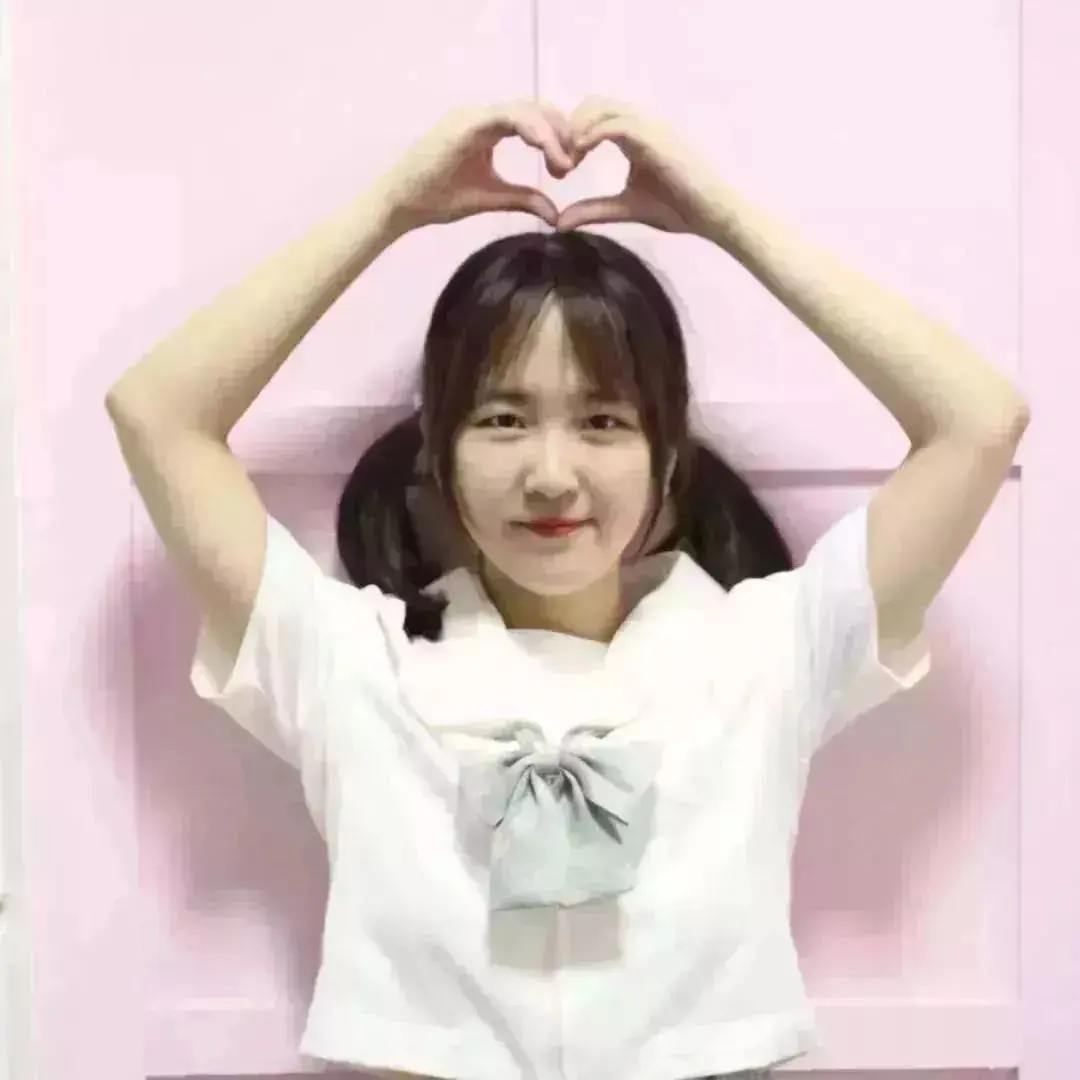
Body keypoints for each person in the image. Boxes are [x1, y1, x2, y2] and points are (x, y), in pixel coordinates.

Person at [104, 97, 1029, 1080]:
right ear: (441, 455)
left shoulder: (770, 651)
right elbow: (157, 413)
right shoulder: (350, 662)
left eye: (602, 422)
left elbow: (978, 421)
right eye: (503, 421)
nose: (551, 476)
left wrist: (726, 223)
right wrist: (389, 211)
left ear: (666, 458)